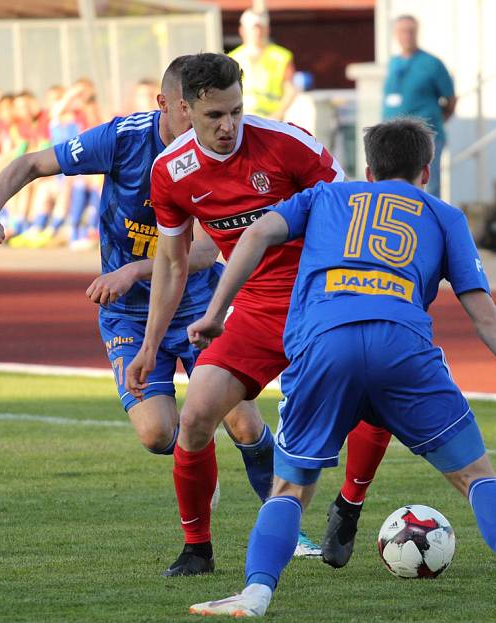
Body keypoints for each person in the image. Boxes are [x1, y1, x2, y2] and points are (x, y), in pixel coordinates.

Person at [183, 117, 496, 618]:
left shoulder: (325, 197)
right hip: (402, 346)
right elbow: (485, 317)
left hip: (322, 343)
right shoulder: (444, 215)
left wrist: (215, 312)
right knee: (475, 475)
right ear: (426, 170)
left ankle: (255, 595)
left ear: (370, 170)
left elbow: (257, 235)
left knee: (289, 489)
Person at [0, 57, 310, 568]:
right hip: (126, 316)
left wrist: (133, 270)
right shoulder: (122, 140)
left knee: (245, 425)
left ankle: (287, 532)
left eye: (218, 113)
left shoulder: (222, 151)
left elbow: (208, 250)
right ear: (169, 104)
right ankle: (198, 472)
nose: (211, 126)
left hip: (198, 306)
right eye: (196, 113)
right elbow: (30, 163)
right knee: (158, 433)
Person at [125, 51, 389, 577]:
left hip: (322, 298)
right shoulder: (171, 172)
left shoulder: (289, 144)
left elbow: (350, 218)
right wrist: (151, 346)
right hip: (254, 308)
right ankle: (197, 549)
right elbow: (173, 264)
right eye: (213, 116)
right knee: (196, 416)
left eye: (236, 112)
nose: (228, 127)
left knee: (376, 400)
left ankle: (349, 507)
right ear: (184, 109)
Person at [382, 14, 456, 198]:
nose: (407, 35)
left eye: (410, 31)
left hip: (425, 135)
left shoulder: (432, 63)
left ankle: (431, 225)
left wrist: (436, 119)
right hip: (395, 137)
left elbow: (451, 99)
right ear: (395, 34)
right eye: (402, 31)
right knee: (395, 186)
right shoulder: (393, 63)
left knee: (428, 185)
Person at [228, 10, 296, 120]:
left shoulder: (281, 57)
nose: (257, 32)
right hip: (242, 120)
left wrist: (278, 114)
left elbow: (290, 90)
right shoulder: (232, 58)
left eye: (260, 27)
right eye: (253, 28)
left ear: (267, 30)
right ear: (242, 30)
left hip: (271, 121)